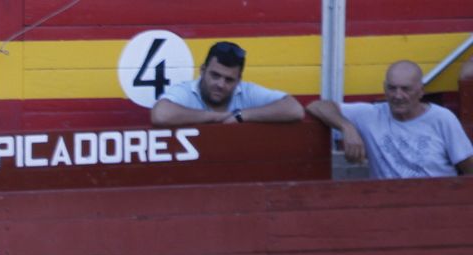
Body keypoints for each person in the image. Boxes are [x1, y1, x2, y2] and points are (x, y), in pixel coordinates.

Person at [307, 60, 473, 178]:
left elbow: (469, 169)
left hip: (436, 203)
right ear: (384, 89)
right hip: (388, 202)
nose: (398, 95)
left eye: (406, 89)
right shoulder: (371, 114)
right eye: (392, 88)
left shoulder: (442, 118)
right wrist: (347, 127)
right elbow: (316, 106)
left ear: (421, 91)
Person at [151, 41, 303, 127]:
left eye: (229, 79)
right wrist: (216, 117)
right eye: (215, 75)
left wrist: (242, 115)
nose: (221, 84)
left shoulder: (246, 91)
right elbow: (161, 114)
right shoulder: (186, 90)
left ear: (238, 80)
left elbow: (294, 109)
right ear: (202, 70)